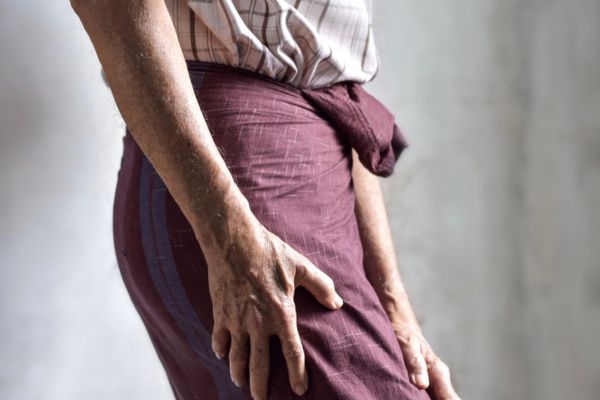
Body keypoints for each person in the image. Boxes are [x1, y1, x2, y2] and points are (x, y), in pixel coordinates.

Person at [71, 1, 460, 399]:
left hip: (296, 186)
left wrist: (393, 303)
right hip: (245, 188)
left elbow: (334, 82)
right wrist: (231, 236)